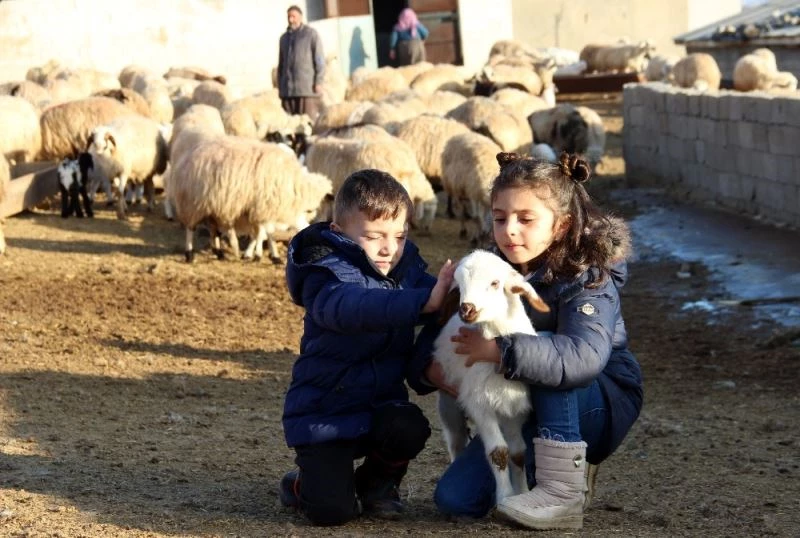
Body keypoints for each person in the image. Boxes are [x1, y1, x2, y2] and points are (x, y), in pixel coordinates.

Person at [408, 152, 643, 530]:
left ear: (562, 226)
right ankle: (541, 471)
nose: (510, 230)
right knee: (456, 499)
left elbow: (581, 357)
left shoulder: (587, 277)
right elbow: (442, 333)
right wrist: (431, 368)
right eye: (500, 219)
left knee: (546, 346)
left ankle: (562, 490)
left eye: (526, 219)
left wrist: (499, 350)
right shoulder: (489, 268)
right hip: (520, 402)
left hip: (596, 399)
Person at [279, 169, 456, 526]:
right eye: (374, 236)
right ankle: (301, 485)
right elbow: (351, 307)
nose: (389, 247)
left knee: (409, 426)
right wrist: (423, 302)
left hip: (378, 407)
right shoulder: (324, 274)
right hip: (324, 416)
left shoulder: (405, 271)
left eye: (399, 235)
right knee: (332, 514)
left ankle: (376, 485)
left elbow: (444, 302)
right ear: (339, 231)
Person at [277, 5, 325, 121]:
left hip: (307, 90)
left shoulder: (311, 35)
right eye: (289, 17)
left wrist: (318, 81)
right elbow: (281, 64)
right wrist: (281, 86)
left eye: (293, 16)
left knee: (308, 123)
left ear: (301, 17)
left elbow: (319, 59)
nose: (290, 20)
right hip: (288, 92)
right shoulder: (284, 39)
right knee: (291, 125)